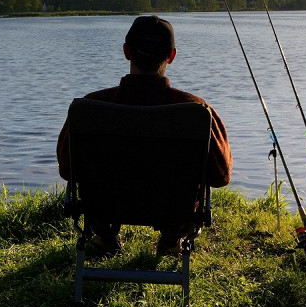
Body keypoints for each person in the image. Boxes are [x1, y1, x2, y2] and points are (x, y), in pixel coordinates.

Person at [56, 15, 232, 256]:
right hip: (173, 210)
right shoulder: (197, 111)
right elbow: (221, 176)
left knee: (97, 193)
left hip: (104, 206)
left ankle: (106, 237)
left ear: (126, 51)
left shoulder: (88, 108)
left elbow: (67, 169)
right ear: (172, 56)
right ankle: (172, 240)